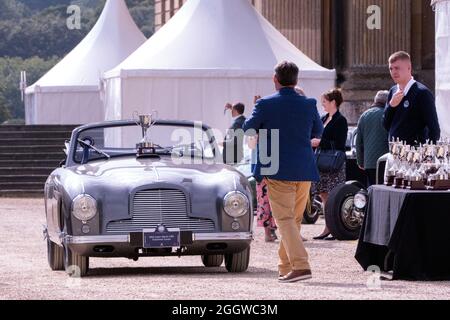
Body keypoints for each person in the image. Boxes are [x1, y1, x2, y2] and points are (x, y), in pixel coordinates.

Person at [244, 61, 323, 283]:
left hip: (276, 166)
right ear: (296, 80)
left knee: (284, 219)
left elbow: (247, 128)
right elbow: (318, 130)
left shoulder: (265, 104)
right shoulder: (309, 103)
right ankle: (285, 265)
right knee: (293, 220)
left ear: (275, 79)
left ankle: (300, 265)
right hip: (304, 168)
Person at [312, 88, 348, 241]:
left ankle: (333, 227)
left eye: (325, 102)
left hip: (334, 164)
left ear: (333, 102)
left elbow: (340, 144)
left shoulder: (341, 120)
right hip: (321, 163)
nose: (323, 105)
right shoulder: (323, 118)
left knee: (333, 197)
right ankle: (328, 226)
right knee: (324, 196)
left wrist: (320, 142)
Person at [383, 51, 440, 145]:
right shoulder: (392, 91)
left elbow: (434, 129)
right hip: (394, 152)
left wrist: (428, 155)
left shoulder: (422, 93)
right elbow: (386, 125)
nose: (393, 72)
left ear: (409, 68)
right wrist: (391, 106)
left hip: (414, 154)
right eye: (391, 69)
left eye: (397, 68)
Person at [356, 90, 390, 187]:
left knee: (371, 189)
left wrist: (360, 162)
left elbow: (358, 142)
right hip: (385, 161)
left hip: (369, 162)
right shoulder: (387, 114)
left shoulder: (364, 115)